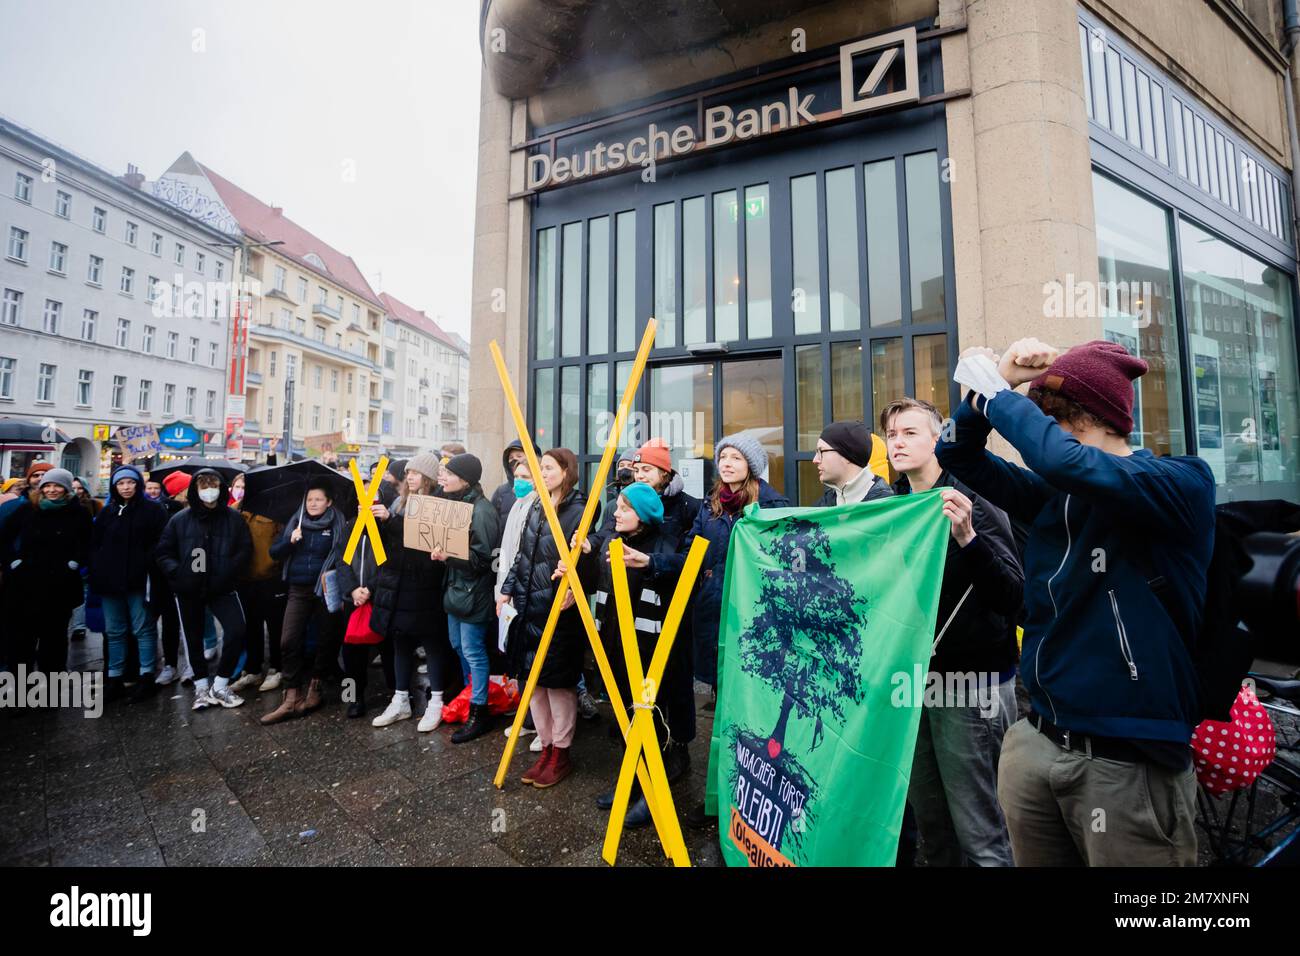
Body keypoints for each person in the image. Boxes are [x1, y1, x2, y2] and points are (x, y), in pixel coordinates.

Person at [936, 338, 1215, 866]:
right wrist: (999, 379)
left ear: (1088, 418)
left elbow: (1059, 459)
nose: (1038, 437)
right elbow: (955, 453)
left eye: (1053, 418)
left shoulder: (1182, 482)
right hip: (1039, 740)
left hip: (1126, 762)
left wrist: (998, 394)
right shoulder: (1056, 493)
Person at [880, 397, 1023, 867]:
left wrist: (968, 540)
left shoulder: (972, 498)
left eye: (910, 432)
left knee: (980, 830)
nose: (897, 442)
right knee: (933, 824)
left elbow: (1015, 597)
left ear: (939, 438)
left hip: (973, 685)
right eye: (891, 434)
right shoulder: (894, 506)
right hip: (912, 684)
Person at [644, 435, 790, 825]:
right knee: (725, 707)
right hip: (712, 616)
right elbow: (690, 556)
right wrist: (651, 561)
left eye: (735, 457)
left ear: (752, 465)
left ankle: (751, 797)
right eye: (722, 456)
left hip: (754, 623)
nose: (725, 463)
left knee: (752, 711)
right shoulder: (710, 509)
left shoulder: (773, 506)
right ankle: (721, 795)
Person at [572, 480, 686, 826]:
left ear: (644, 515)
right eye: (617, 506)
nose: (616, 513)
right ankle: (631, 781)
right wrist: (572, 571)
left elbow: (679, 569)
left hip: (650, 656)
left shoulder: (663, 543)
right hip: (616, 648)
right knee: (624, 720)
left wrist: (650, 563)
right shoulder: (613, 541)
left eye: (624, 508)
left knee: (648, 722)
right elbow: (594, 580)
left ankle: (651, 793)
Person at [500, 448, 587, 788]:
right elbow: (523, 553)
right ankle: (546, 747)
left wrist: (574, 585)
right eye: (541, 468)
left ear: (566, 471)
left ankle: (561, 752)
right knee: (532, 681)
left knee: (557, 682)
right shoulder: (536, 505)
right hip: (527, 605)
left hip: (557, 608)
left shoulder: (579, 508)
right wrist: (507, 589)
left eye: (549, 467)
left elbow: (587, 551)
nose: (544, 473)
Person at [369, 453, 456, 729]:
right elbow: (391, 544)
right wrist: (375, 523)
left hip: (425, 587)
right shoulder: (398, 501)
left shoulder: (438, 504)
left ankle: (437, 702)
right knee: (401, 642)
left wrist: (390, 522)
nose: (411, 477)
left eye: (417, 473)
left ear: (429, 478)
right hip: (398, 585)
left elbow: (421, 542)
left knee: (432, 644)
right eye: (408, 472)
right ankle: (401, 700)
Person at [153, 469, 252, 710]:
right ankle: (200, 686)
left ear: (221, 488)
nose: (209, 490)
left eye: (213, 485)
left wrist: (229, 570)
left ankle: (220, 683)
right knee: (193, 638)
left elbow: (244, 549)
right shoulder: (180, 520)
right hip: (189, 589)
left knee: (237, 630)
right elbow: (164, 552)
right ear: (195, 490)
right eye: (204, 485)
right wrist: (179, 573)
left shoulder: (232, 518)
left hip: (223, 586)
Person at [260, 478, 346, 723]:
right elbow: (274, 553)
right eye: (310, 499)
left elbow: (342, 554)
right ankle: (291, 697)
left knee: (327, 639)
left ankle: (315, 688)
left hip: (326, 589)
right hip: (298, 589)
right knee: (288, 640)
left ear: (329, 502)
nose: (313, 503)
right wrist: (290, 541)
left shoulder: (338, 522)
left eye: (319, 499)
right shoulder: (296, 522)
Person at [432, 453, 502, 742]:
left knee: (473, 651)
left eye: (448, 474)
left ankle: (479, 710)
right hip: (457, 591)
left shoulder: (482, 510)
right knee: (458, 646)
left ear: (465, 479)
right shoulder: (459, 504)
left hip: (474, 594)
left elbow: (484, 560)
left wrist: (450, 556)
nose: (442, 478)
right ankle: (468, 696)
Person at [89, 465, 169, 702]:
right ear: (115, 486)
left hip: (138, 579)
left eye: (130, 482)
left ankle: (146, 676)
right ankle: (115, 677)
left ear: (138, 485)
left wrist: (143, 563)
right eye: (121, 483)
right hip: (110, 581)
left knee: (143, 628)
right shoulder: (108, 511)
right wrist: (99, 566)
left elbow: (160, 542)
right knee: (114, 630)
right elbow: (95, 543)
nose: (126, 487)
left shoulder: (152, 511)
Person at [0, 468, 93, 674]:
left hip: (59, 586)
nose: (52, 490)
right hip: (25, 585)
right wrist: (14, 562)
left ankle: (50, 690)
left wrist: (75, 562)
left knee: (54, 640)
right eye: (47, 486)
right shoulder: (27, 510)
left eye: (57, 486)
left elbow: (88, 543)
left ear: (66, 489)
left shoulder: (77, 512)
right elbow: (5, 538)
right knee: (22, 641)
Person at [335, 501, 395, 719]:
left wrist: (370, 588)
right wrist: (352, 590)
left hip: (380, 599)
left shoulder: (385, 529)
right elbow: (341, 562)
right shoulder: (348, 528)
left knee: (388, 649)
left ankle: (397, 694)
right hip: (352, 601)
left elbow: (387, 563)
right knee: (351, 653)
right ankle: (353, 698)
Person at [230, 468, 287, 694]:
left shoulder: (276, 511)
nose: (243, 490)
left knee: (275, 627)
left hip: (271, 578)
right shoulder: (234, 511)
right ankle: (252, 670)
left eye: (247, 486)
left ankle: (276, 668)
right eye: (240, 486)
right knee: (250, 626)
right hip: (244, 579)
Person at [813, 421, 894, 505]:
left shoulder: (885, 509)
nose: (815, 460)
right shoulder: (823, 505)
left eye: (821, 451)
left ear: (847, 455)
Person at [489, 439, 539, 539]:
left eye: (519, 456)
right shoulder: (501, 492)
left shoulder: (545, 495)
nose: (514, 460)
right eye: (511, 457)